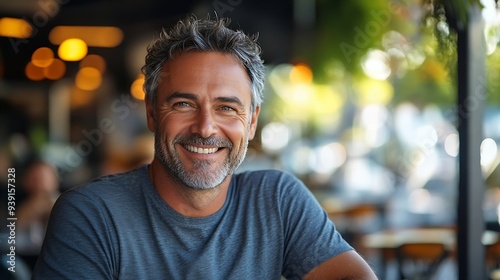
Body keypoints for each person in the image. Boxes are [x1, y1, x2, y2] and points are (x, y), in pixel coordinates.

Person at [33, 15, 377, 279]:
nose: (205, 128)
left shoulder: (277, 200)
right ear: (152, 112)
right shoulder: (91, 215)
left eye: (227, 108)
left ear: (252, 122)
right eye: (183, 104)